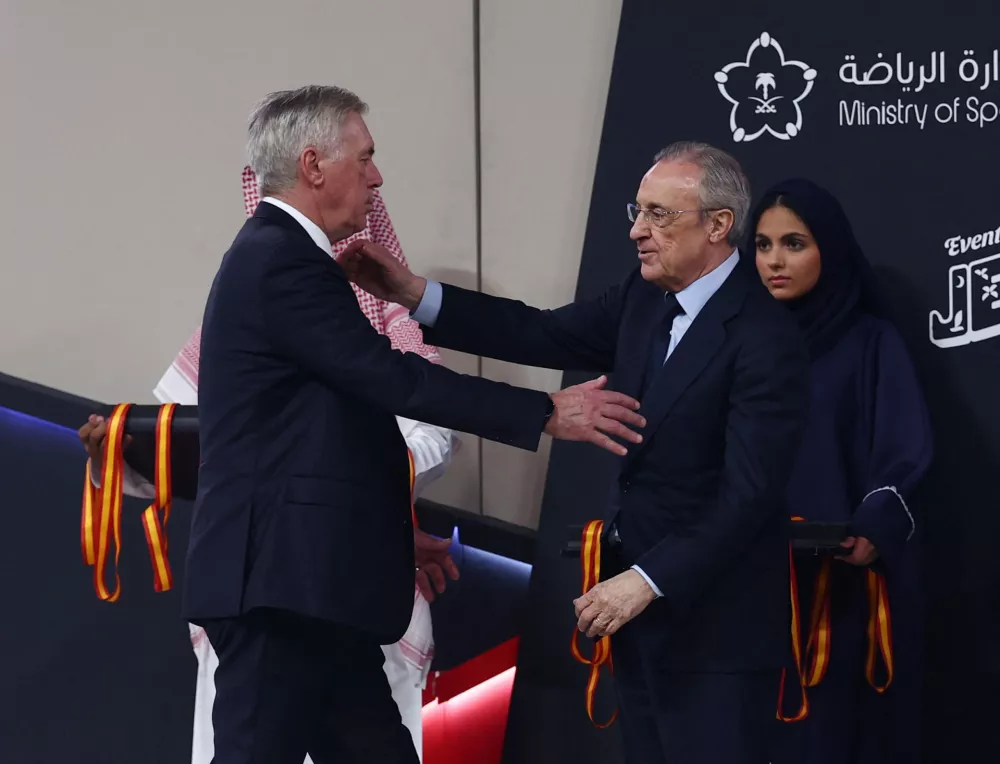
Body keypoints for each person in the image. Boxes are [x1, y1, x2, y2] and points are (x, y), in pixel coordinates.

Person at [177, 85, 643, 764]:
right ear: (313, 165)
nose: (376, 176)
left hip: (313, 583)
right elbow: (392, 378)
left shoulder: (281, 257)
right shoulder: (280, 260)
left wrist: (392, 532)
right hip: (280, 587)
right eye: (364, 158)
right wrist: (544, 411)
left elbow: (328, 429)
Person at [344, 141, 811, 764]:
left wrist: (645, 582)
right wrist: (413, 293)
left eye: (659, 215)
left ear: (719, 225)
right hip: (641, 619)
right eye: (636, 210)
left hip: (715, 633)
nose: (637, 231)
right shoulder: (644, 299)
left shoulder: (765, 337)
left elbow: (748, 495)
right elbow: (540, 332)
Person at [78, 167, 456, 763]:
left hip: (359, 581)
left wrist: (378, 514)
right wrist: (117, 454)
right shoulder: (242, 316)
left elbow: (430, 440)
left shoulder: (389, 327)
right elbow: (202, 449)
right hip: (264, 585)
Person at [750, 178, 933, 764]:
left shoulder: (868, 342)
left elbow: (904, 448)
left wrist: (872, 529)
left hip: (832, 587)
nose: (775, 260)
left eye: (794, 243)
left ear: (830, 247)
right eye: (762, 244)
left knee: (822, 738)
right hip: (736, 579)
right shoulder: (737, 340)